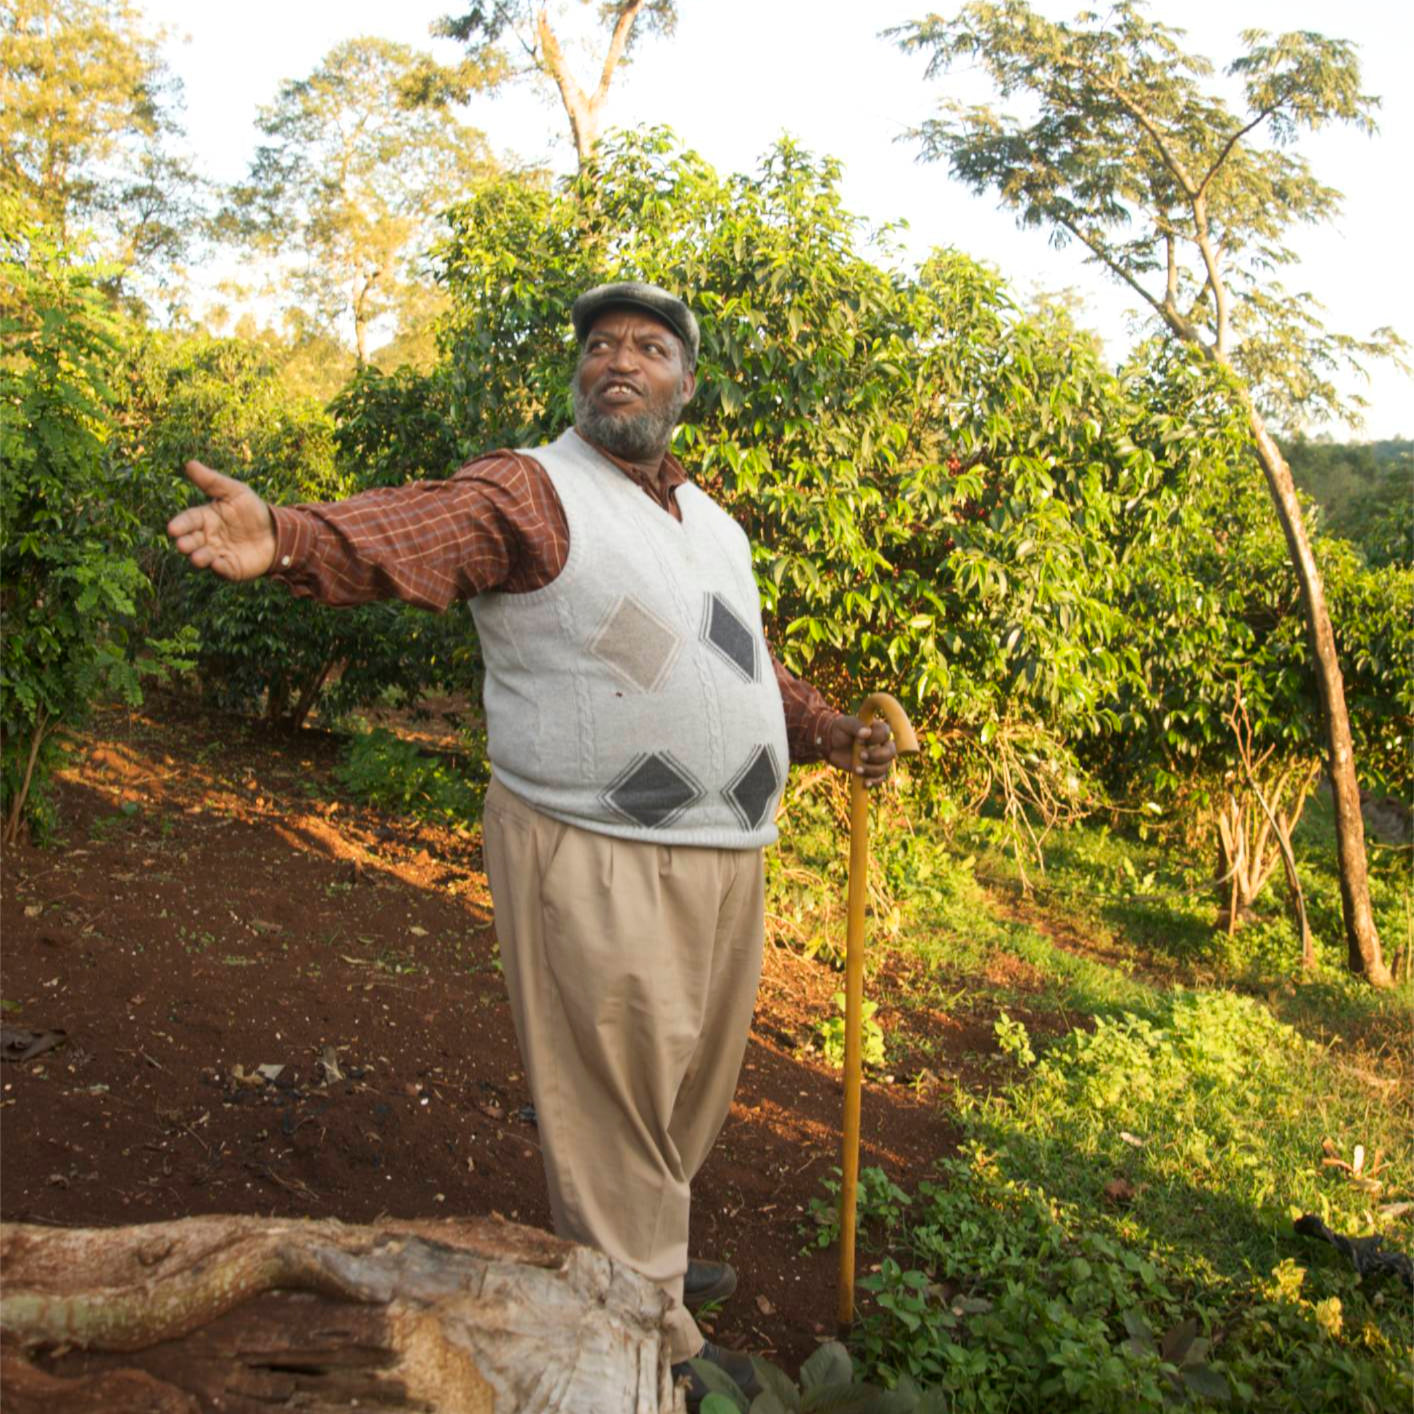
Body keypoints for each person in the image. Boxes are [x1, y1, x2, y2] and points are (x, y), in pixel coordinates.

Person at [167, 281, 897, 1401]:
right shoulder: (535, 487)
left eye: (649, 348)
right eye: (601, 345)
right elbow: (428, 527)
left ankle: (639, 1262)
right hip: (594, 846)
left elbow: (743, 663)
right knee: (613, 1101)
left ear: (684, 387)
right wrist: (292, 537)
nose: (620, 360)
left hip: (729, 850)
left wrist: (830, 731)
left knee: (682, 1093)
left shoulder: (713, 528)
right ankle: (649, 1358)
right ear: (580, 378)